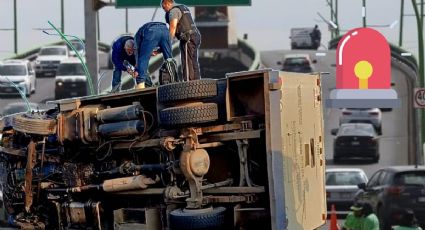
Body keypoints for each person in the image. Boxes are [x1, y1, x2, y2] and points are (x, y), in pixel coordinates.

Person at [161, 0, 201, 81]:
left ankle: (188, 83)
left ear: (167, 3)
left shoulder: (173, 11)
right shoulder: (183, 7)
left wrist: (167, 43)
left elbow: (173, 28)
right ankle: (197, 82)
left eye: (164, 7)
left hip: (187, 39)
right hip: (196, 35)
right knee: (193, 61)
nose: (164, 9)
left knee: (187, 62)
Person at [133, 22, 174, 89]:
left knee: (143, 58)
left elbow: (139, 55)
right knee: (169, 58)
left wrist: (137, 69)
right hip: (164, 29)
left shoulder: (136, 39)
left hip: (151, 31)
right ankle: (173, 79)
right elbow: (163, 46)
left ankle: (140, 85)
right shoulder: (142, 36)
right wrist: (158, 51)